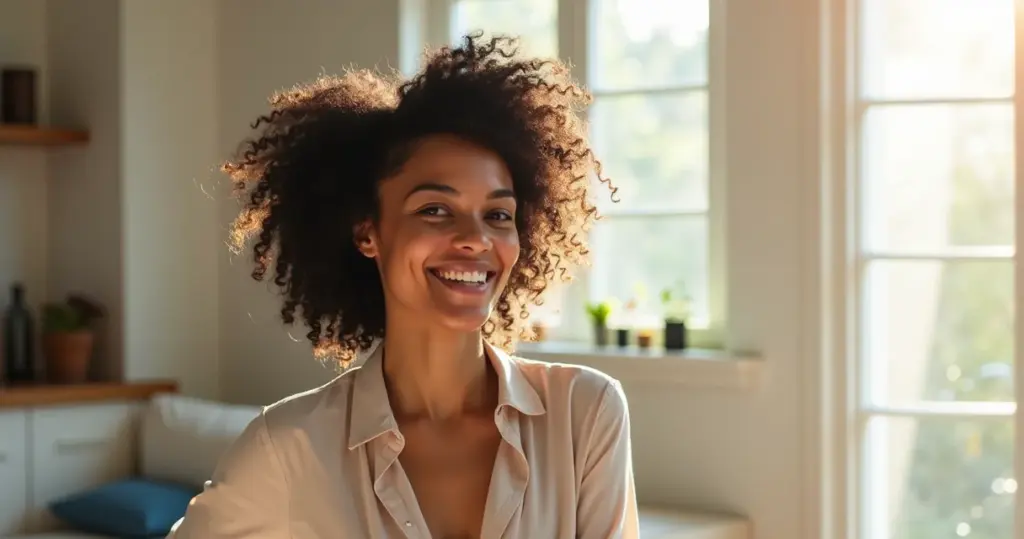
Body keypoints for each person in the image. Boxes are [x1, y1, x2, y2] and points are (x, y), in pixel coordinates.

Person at [169, 32, 638, 539]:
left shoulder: (584, 414)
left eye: (498, 214)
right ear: (368, 231)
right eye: (435, 210)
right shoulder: (287, 447)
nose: (476, 240)